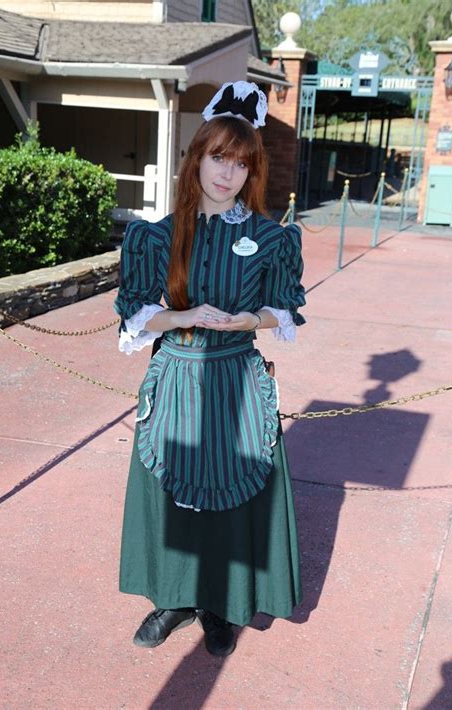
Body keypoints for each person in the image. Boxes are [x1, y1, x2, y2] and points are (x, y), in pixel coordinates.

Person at [114, 81, 306, 657]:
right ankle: (173, 597)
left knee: (234, 495)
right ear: (196, 157)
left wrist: (254, 322)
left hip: (237, 381)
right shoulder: (157, 236)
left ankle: (221, 606)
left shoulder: (272, 238)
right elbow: (136, 315)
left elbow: (288, 308)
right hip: (174, 377)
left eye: (241, 163)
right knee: (173, 492)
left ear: (253, 172)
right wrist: (184, 315)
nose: (227, 173)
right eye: (218, 157)